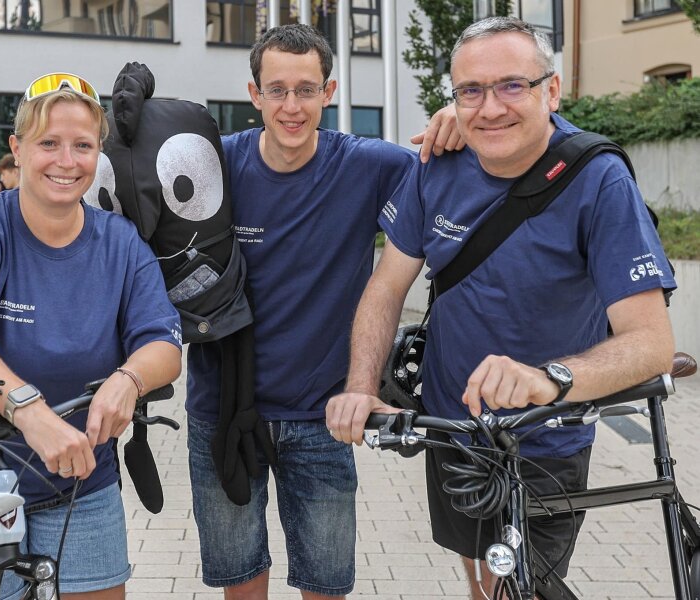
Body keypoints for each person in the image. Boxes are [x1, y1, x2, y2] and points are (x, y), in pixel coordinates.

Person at [326, 17, 676, 598]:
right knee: (482, 577)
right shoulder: (436, 167)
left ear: (552, 90)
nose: (491, 108)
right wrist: (362, 385)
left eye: (512, 85)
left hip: (547, 435)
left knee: (518, 585)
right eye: (471, 91)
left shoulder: (598, 180)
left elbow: (651, 341)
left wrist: (549, 378)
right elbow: (387, 287)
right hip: (453, 429)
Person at [185, 23, 463, 599]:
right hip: (222, 407)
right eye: (277, 90)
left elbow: (457, 171)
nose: (292, 106)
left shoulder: (371, 166)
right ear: (253, 93)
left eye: (307, 90)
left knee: (327, 584)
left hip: (325, 415)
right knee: (240, 580)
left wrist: (457, 120)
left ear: (329, 92)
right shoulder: (217, 169)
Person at [0, 72, 182, 600]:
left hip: (79, 480)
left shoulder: (121, 242)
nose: (66, 161)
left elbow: (164, 345)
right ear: (17, 150)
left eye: (82, 145)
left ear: (98, 152)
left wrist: (128, 380)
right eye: (48, 144)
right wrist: (30, 412)